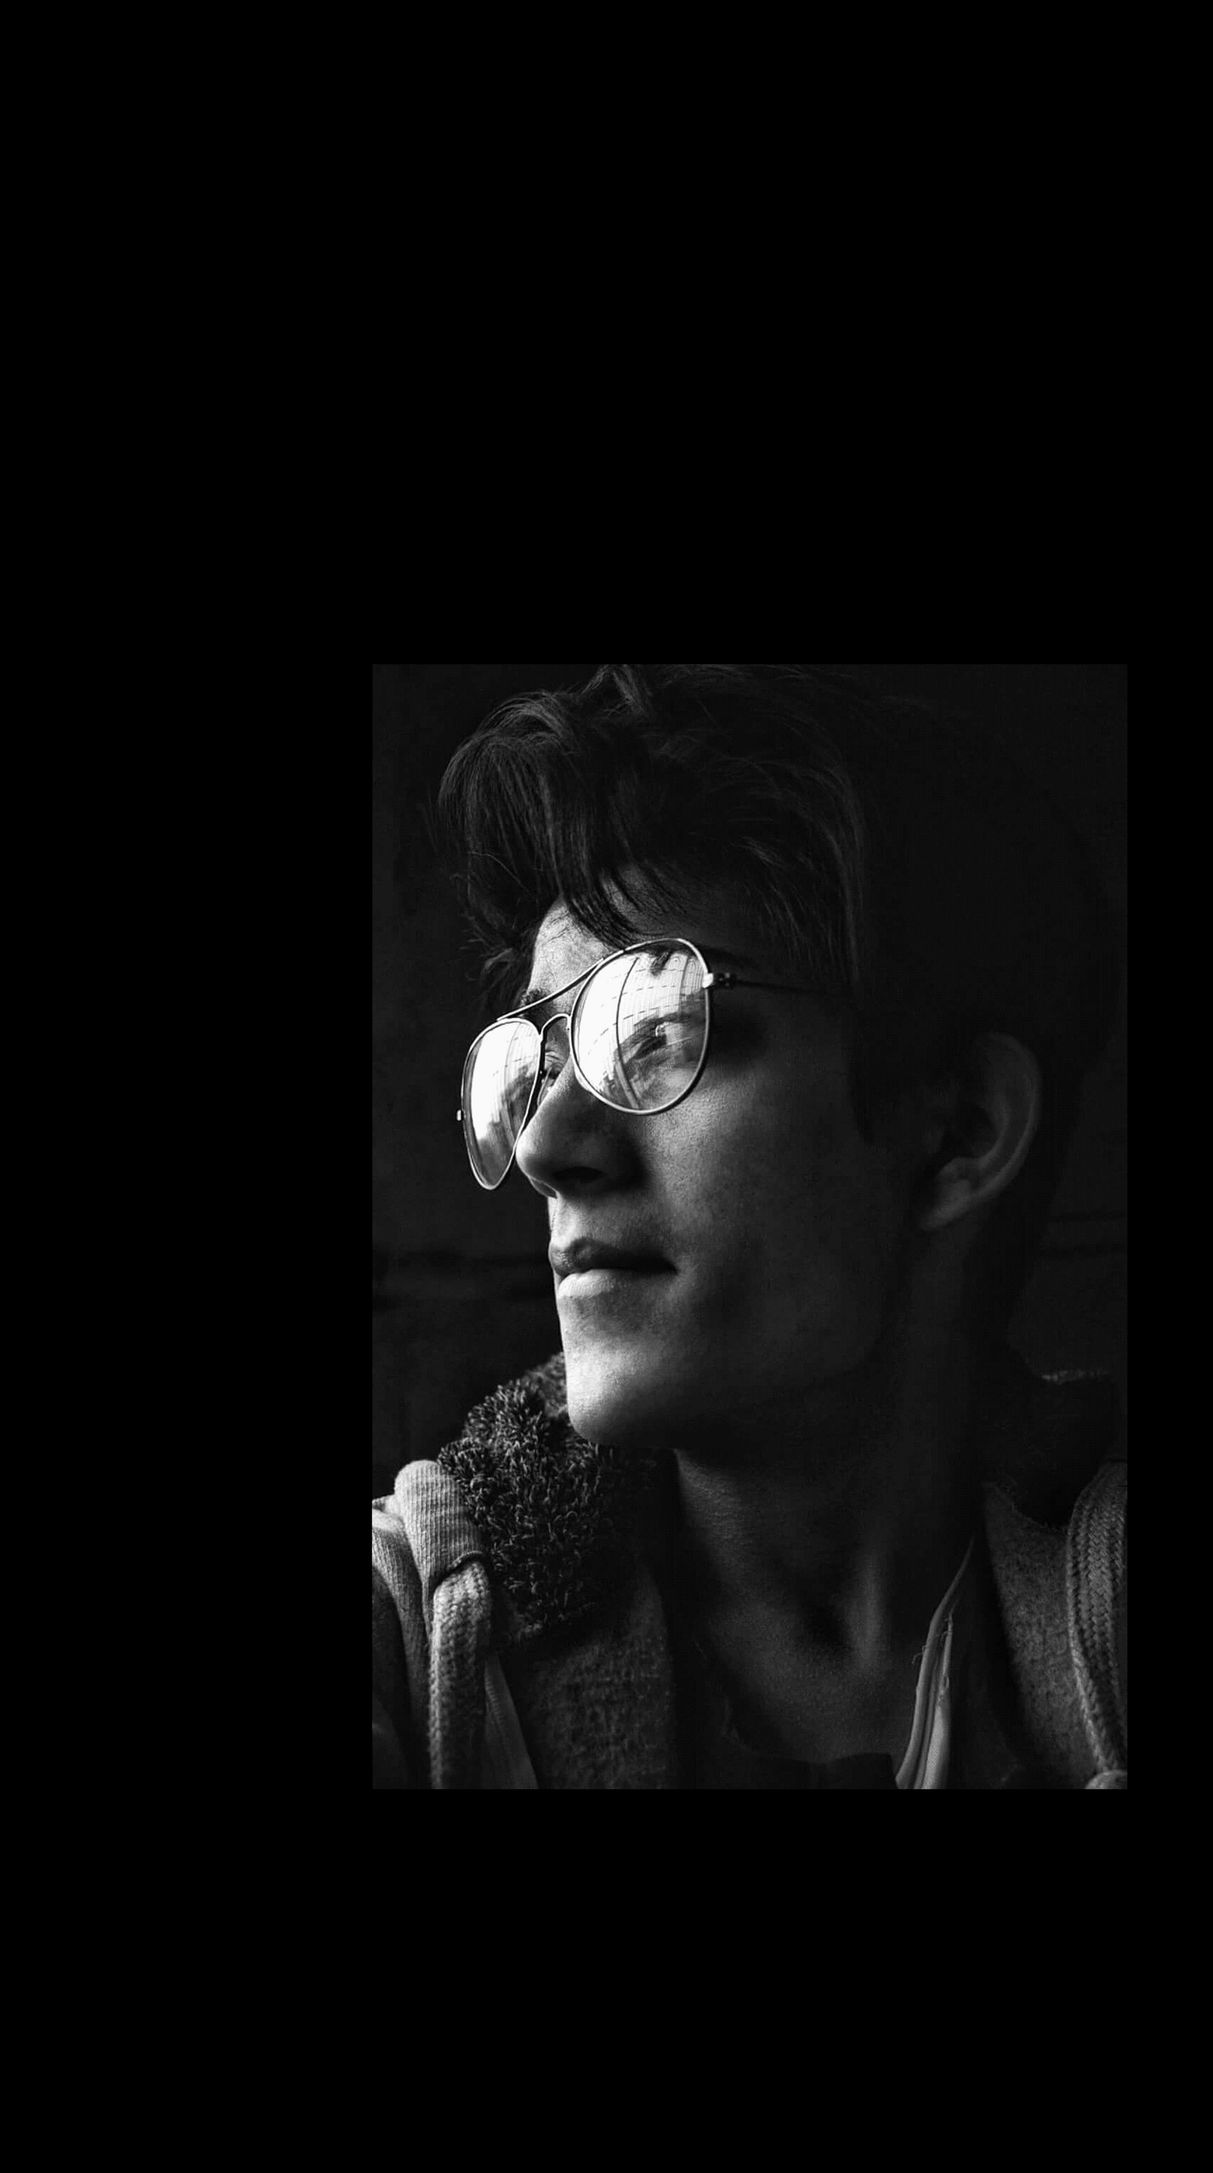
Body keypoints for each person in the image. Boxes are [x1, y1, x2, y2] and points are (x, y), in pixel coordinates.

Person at [372, 664, 1126, 1789]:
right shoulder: (415, 1637)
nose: (543, 1147)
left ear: (959, 1131)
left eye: (657, 1030)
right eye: (533, 1064)